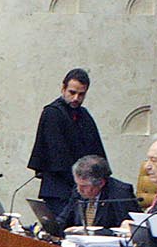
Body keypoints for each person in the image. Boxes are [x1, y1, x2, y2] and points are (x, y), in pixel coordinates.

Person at [27, 68, 103, 209]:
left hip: (82, 190)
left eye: (81, 94)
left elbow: (96, 150)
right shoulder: (53, 113)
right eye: (72, 93)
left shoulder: (84, 115)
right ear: (63, 89)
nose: (76, 98)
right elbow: (57, 156)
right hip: (59, 190)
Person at [54, 154, 134, 231]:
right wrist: (51, 227)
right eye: (77, 184)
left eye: (84, 186)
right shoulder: (78, 190)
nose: (79, 189)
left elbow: (127, 230)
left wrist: (87, 231)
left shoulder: (120, 193)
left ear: (101, 183)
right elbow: (64, 219)